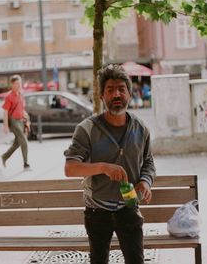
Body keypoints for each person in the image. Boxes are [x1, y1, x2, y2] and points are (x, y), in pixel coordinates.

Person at [64, 64, 156, 264]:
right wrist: (103, 167)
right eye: (110, 90)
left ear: (130, 95)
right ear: (101, 97)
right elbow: (70, 168)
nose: (116, 94)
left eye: (121, 89)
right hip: (97, 210)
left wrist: (146, 181)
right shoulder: (86, 129)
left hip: (129, 207)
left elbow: (148, 161)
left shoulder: (141, 129)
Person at [1, 75, 30, 170]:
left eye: (20, 83)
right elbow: (5, 112)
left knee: (17, 143)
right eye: (17, 83)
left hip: (21, 121)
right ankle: (26, 164)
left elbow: (22, 109)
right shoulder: (9, 96)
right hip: (14, 121)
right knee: (24, 141)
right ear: (12, 84)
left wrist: (26, 118)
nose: (19, 85)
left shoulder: (21, 95)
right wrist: (5, 126)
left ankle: (4, 156)